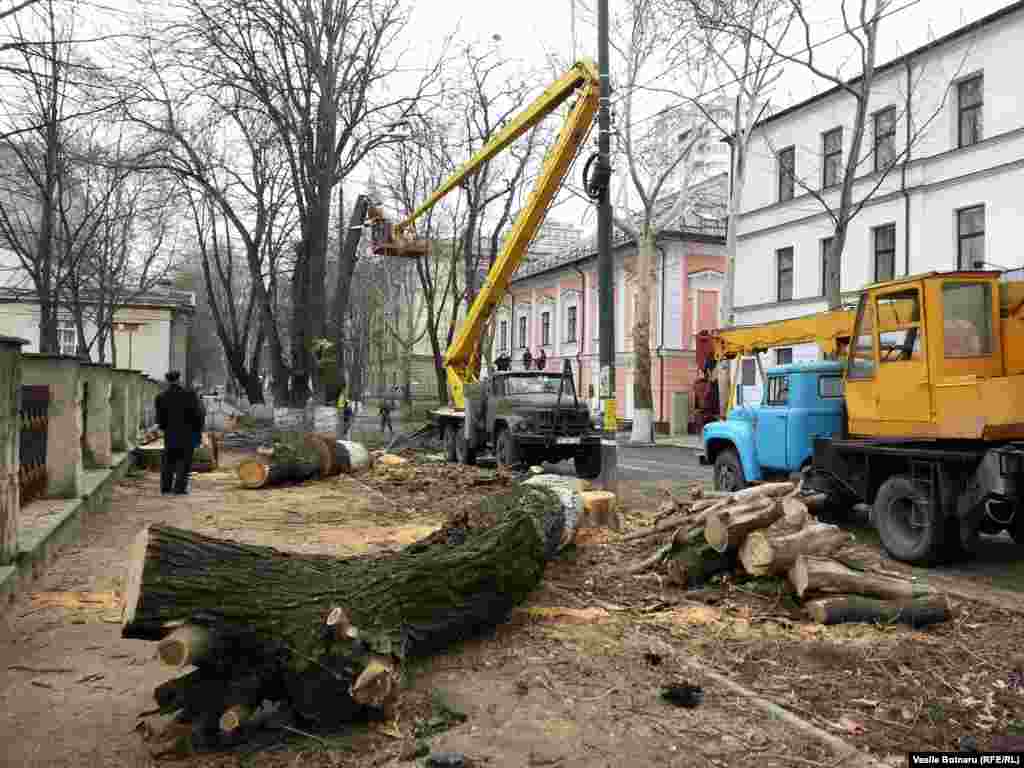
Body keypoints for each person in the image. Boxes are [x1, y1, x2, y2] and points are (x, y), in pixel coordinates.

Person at [155, 370, 205, 495]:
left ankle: (166, 487)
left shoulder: (160, 397)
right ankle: (180, 488)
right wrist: (198, 431)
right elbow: (198, 415)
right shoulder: (189, 395)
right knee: (184, 461)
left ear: (167, 381)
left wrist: (165, 428)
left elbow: (160, 419)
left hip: (170, 434)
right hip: (187, 433)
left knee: (168, 461)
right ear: (179, 379)